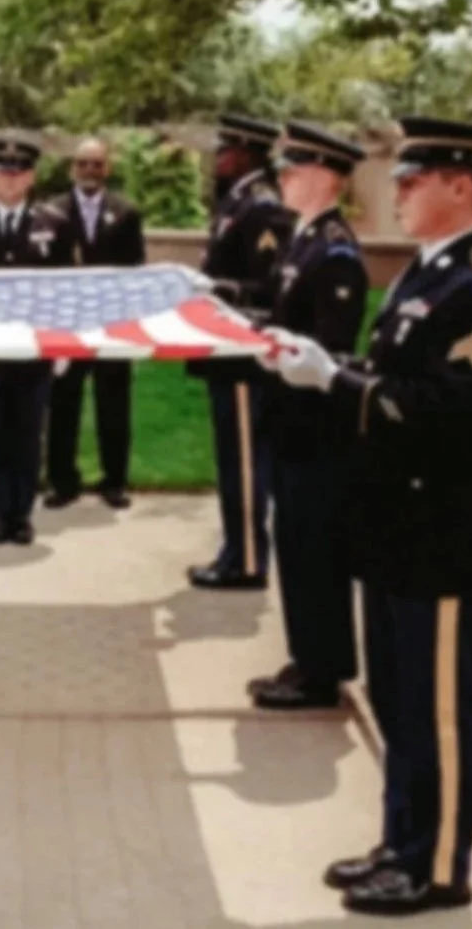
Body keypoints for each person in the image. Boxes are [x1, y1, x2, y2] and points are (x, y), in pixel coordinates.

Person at [265, 116, 472, 917]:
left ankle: (439, 866)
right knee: (398, 703)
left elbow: (443, 411)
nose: (400, 191)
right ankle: (399, 843)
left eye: (416, 180)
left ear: (462, 187)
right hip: (396, 531)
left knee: (440, 713)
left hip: (442, 533)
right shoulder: (423, 275)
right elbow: (388, 376)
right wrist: (328, 367)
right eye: (402, 178)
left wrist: (333, 383)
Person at [247, 122, 369, 712]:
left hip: (315, 429)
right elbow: (277, 310)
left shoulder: (336, 251)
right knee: (294, 543)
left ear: (325, 176)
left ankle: (322, 672)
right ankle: (308, 658)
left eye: (294, 170)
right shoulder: (304, 240)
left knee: (314, 547)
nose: (284, 178)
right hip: (290, 423)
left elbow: (330, 347)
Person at [184, 115, 296, 591]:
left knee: (247, 463)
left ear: (247, 153)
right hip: (226, 355)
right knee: (232, 460)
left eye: (225, 149)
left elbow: (272, 287)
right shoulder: (237, 201)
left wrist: (216, 288)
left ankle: (248, 561)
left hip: (246, 358)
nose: (217, 157)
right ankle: (235, 549)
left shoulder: (262, 206)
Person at [0, 137, 71, 544]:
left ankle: (22, 513)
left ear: (31, 177)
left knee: (27, 434)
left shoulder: (52, 223)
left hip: (33, 349)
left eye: (18, 171)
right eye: (2, 172)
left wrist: (62, 347)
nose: (9, 180)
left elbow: (64, 291)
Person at [45, 136, 146, 510]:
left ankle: (115, 481)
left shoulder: (126, 212)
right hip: (66, 324)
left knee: (114, 404)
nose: (90, 170)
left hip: (111, 325)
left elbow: (136, 270)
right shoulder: (51, 212)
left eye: (97, 164)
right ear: (72, 167)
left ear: (109, 168)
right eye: (83, 163)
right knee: (62, 405)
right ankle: (61, 480)